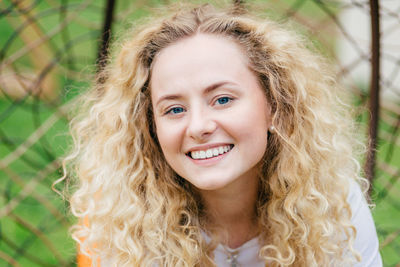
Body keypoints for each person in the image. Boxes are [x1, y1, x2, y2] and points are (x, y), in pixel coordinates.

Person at [63, 3, 382, 266]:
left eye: (223, 99)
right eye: (174, 109)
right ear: (151, 126)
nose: (199, 126)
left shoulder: (333, 208)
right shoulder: (122, 220)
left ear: (275, 106)